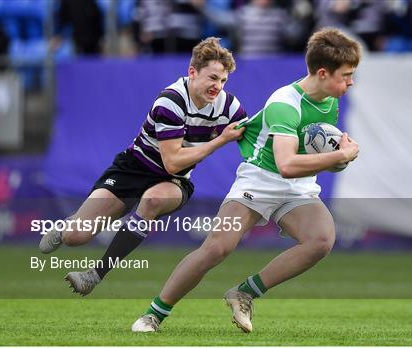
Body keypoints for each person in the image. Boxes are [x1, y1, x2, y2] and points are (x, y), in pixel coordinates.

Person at [131, 27, 361, 333]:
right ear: (322, 73)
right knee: (217, 248)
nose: (350, 82)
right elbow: (287, 163)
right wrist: (338, 157)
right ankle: (153, 315)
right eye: (346, 75)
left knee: (321, 240)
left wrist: (339, 157)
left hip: (297, 187)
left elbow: (309, 155)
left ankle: (244, 293)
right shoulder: (285, 104)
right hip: (260, 181)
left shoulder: (330, 99)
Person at [39, 37, 247, 296]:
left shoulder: (228, 105)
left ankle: (95, 275)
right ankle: (68, 226)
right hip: (134, 169)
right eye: (213, 78)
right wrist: (220, 140)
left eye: (223, 80)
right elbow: (172, 161)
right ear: (192, 72)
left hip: (173, 181)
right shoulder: (171, 102)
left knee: (153, 199)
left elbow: (249, 134)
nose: (218, 86)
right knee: (75, 237)